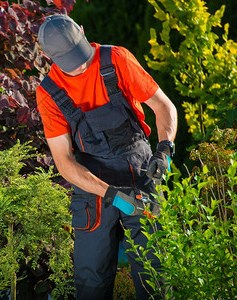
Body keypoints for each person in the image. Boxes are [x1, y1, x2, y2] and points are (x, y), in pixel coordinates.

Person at [36, 14, 177, 299]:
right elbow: (64, 162)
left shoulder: (116, 59)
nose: (80, 66)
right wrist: (112, 195)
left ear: (84, 32)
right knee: (92, 282)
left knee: (156, 274)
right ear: (44, 55)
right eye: (70, 62)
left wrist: (164, 149)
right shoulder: (49, 93)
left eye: (81, 55)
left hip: (140, 173)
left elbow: (164, 106)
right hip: (94, 187)